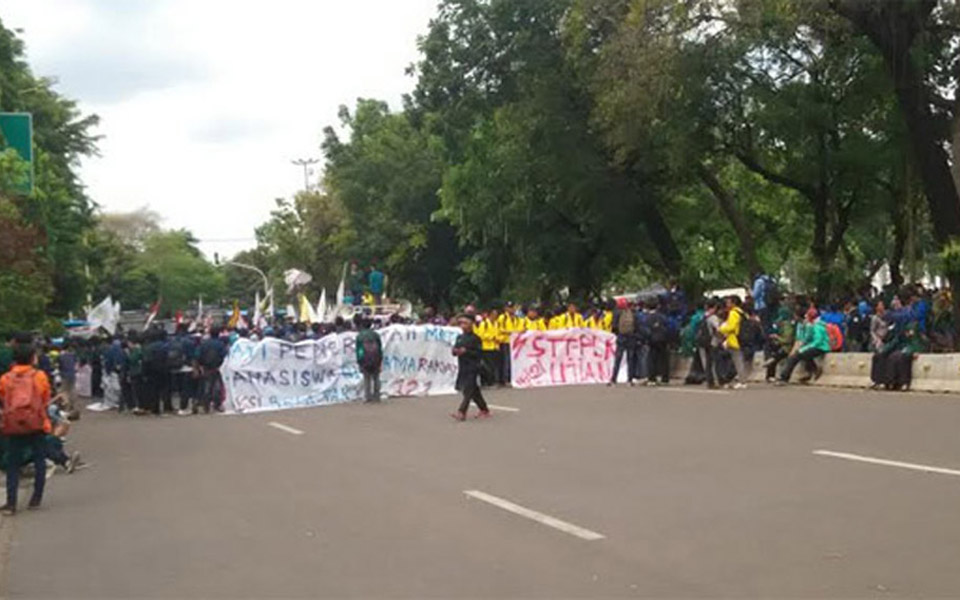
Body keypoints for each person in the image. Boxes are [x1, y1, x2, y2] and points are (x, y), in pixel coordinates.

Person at [0, 336, 51, 515]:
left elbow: (3, 400)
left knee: (13, 463)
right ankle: (36, 498)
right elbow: (45, 399)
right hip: (37, 423)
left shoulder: (5, 378)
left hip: (13, 425)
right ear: (32, 358)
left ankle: (11, 503)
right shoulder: (40, 376)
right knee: (39, 460)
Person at [451, 315, 490, 421]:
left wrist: (467, 351)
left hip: (473, 367)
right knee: (472, 390)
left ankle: (461, 412)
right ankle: (484, 409)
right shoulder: (459, 337)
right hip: (463, 366)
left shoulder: (476, 339)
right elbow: (454, 350)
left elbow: (479, 353)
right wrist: (455, 351)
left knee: (468, 390)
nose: (463, 325)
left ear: (471, 324)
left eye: (466, 323)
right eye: (461, 323)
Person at [777, 308, 830, 385]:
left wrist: (803, 348)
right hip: (814, 345)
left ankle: (784, 377)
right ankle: (812, 371)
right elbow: (801, 339)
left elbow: (817, 341)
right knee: (799, 355)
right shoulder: (805, 325)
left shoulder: (816, 326)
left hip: (820, 347)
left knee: (797, 355)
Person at [196, 327, 228, 413]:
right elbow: (225, 355)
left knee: (207, 386)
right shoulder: (220, 344)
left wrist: (200, 366)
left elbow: (198, 355)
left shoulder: (204, 343)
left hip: (206, 368)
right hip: (217, 368)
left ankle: (206, 405)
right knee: (217, 387)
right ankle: (217, 404)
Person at [718, 295, 748, 389]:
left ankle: (742, 381)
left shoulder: (733, 313)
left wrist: (721, 329)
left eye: (729, 302)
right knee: (737, 360)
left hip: (734, 339)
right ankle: (739, 380)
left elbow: (731, 327)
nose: (727, 304)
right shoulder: (742, 312)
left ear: (733, 303)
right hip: (740, 338)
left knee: (737, 361)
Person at [608, 299, 638, 386]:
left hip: (621, 337)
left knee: (618, 358)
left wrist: (617, 333)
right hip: (631, 337)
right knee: (630, 358)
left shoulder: (616, 313)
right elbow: (636, 325)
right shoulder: (632, 312)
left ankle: (613, 379)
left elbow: (614, 326)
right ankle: (630, 379)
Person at [697, 298, 723, 389]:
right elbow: (719, 329)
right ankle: (717, 381)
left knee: (708, 363)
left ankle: (709, 381)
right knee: (714, 362)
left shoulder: (703, 316)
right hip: (713, 342)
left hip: (704, 342)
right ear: (715, 307)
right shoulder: (713, 318)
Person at [355, 318, 383, 402]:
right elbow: (380, 348)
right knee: (376, 378)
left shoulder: (360, 336)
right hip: (376, 358)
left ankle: (368, 397)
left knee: (366, 378)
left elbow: (359, 349)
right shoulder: (376, 335)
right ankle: (377, 396)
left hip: (365, 359)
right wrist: (380, 358)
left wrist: (359, 360)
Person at [645, 298, 671, 386]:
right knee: (664, 359)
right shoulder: (662, 317)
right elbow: (669, 327)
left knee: (652, 359)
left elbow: (644, 330)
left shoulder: (646, 318)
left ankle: (652, 378)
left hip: (652, 340)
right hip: (663, 339)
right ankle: (665, 378)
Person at [475, 308, 501, 386]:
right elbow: (480, 335)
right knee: (487, 365)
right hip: (486, 347)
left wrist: (498, 338)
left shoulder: (496, 323)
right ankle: (487, 381)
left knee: (493, 365)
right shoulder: (484, 324)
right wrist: (491, 337)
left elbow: (498, 333)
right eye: (493, 314)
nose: (495, 316)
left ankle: (492, 380)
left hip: (495, 347)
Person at [496, 303, 520, 386]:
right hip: (505, 341)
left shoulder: (517, 318)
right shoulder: (502, 318)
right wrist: (509, 332)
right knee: (506, 361)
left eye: (512, 308)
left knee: (512, 361)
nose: (511, 309)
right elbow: (499, 329)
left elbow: (518, 328)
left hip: (514, 342)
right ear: (505, 308)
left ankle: (511, 377)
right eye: (509, 308)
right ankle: (505, 379)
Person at [57, 342, 78, 410]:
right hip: (72, 374)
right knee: (72, 389)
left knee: (64, 390)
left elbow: (60, 366)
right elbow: (75, 364)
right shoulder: (73, 355)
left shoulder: (61, 356)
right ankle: (73, 404)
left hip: (64, 374)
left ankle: (66, 405)